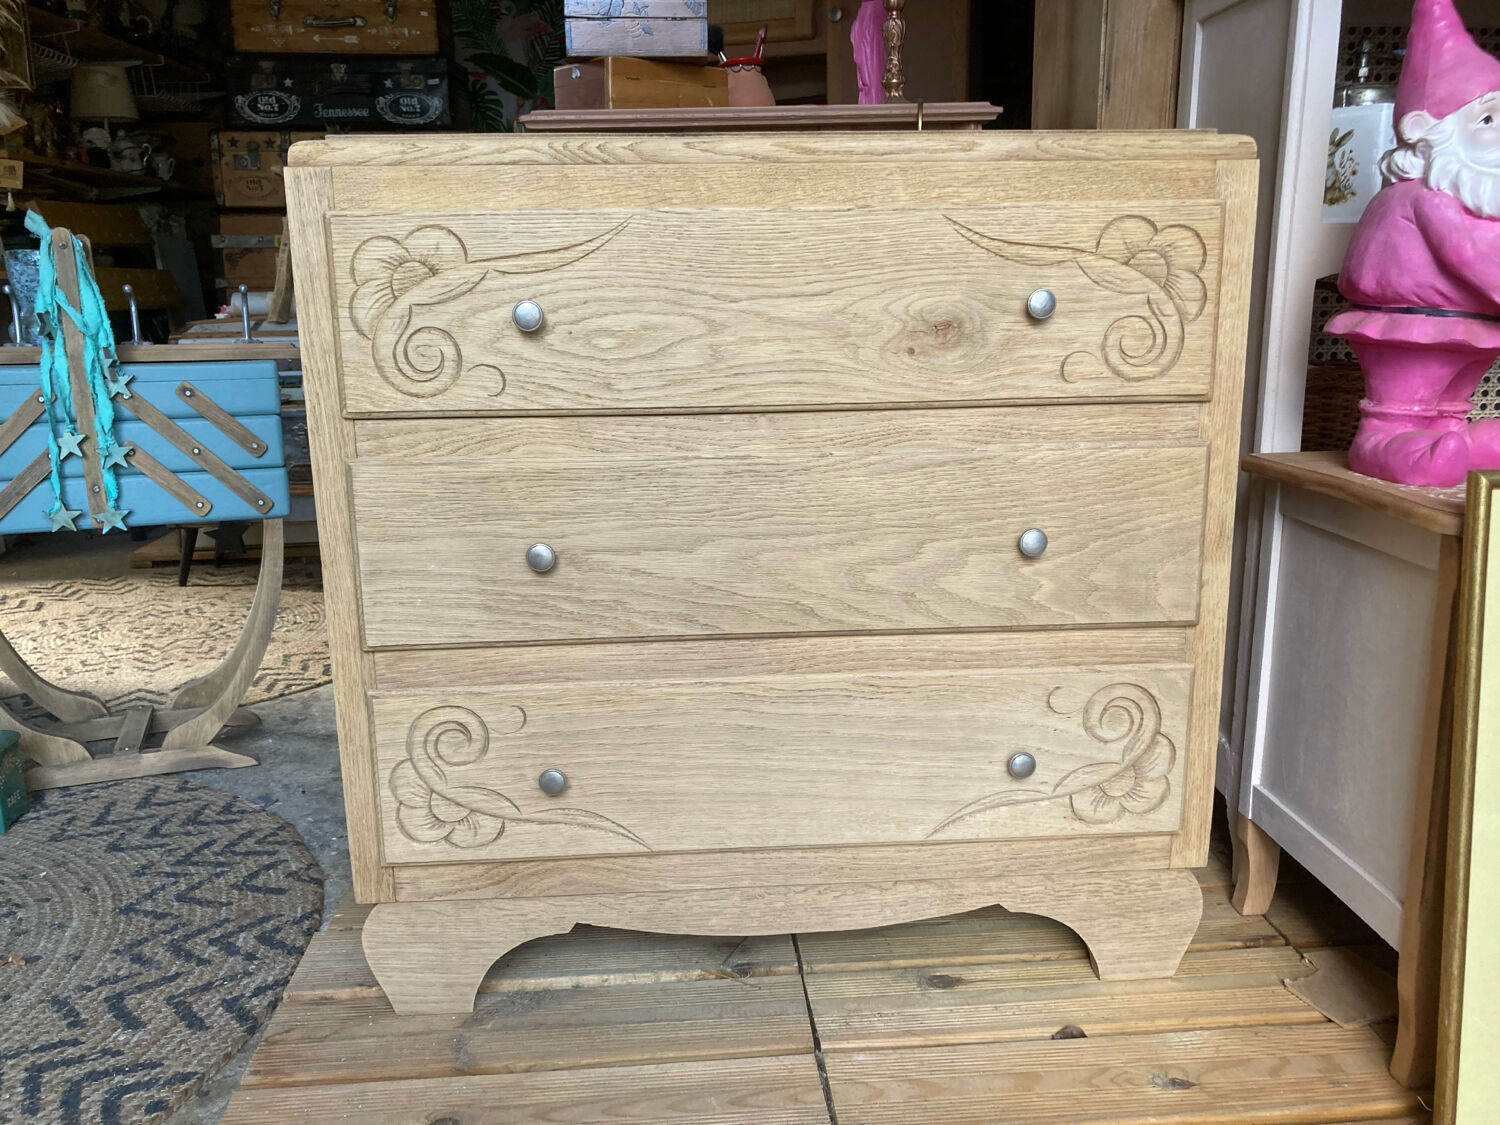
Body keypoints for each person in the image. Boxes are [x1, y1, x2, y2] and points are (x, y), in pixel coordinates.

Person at [1329, 0, 1500, 487]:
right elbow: (1472, 259)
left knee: (1448, 408)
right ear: (1425, 131)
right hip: (1412, 329)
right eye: (1487, 121)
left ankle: (1454, 443)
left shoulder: (1471, 195)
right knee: (1398, 408)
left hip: (1468, 329)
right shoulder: (1430, 200)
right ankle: (1384, 446)